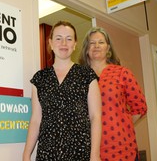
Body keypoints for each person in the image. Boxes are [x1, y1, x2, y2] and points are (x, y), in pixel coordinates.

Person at [23, 21, 102, 161]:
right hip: (47, 153)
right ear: (51, 43)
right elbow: (36, 120)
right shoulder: (39, 79)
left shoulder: (87, 75)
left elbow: (95, 117)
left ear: (75, 44)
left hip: (80, 152)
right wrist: (26, 154)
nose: (64, 43)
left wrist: (94, 156)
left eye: (69, 38)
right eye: (58, 38)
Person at [79, 27, 147, 161]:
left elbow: (140, 107)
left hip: (121, 149)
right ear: (86, 49)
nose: (96, 46)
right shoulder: (78, 78)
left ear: (108, 48)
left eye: (101, 42)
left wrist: (121, 124)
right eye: (92, 43)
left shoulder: (122, 73)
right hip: (89, 150)